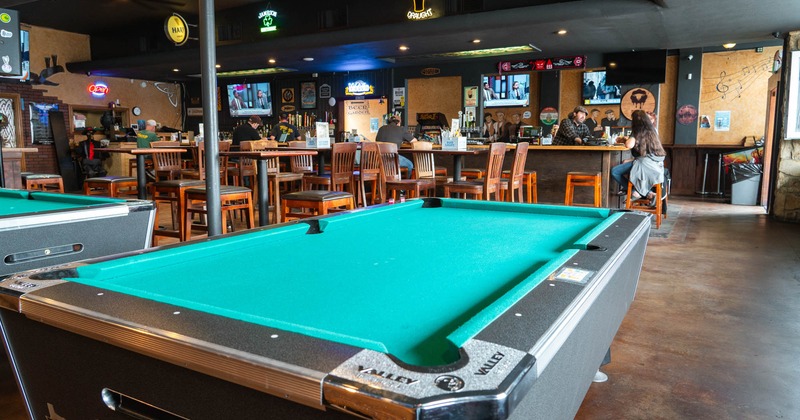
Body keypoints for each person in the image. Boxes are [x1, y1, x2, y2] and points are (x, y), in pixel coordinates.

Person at [611, 110, 665, 205]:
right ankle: (648, 193)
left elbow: (629, 145)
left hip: (645, 165)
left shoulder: (638, 130)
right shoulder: (653, 130)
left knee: (615, 171)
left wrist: (629, 138)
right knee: (626, 166)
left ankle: (634, 192)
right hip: (656, 166)